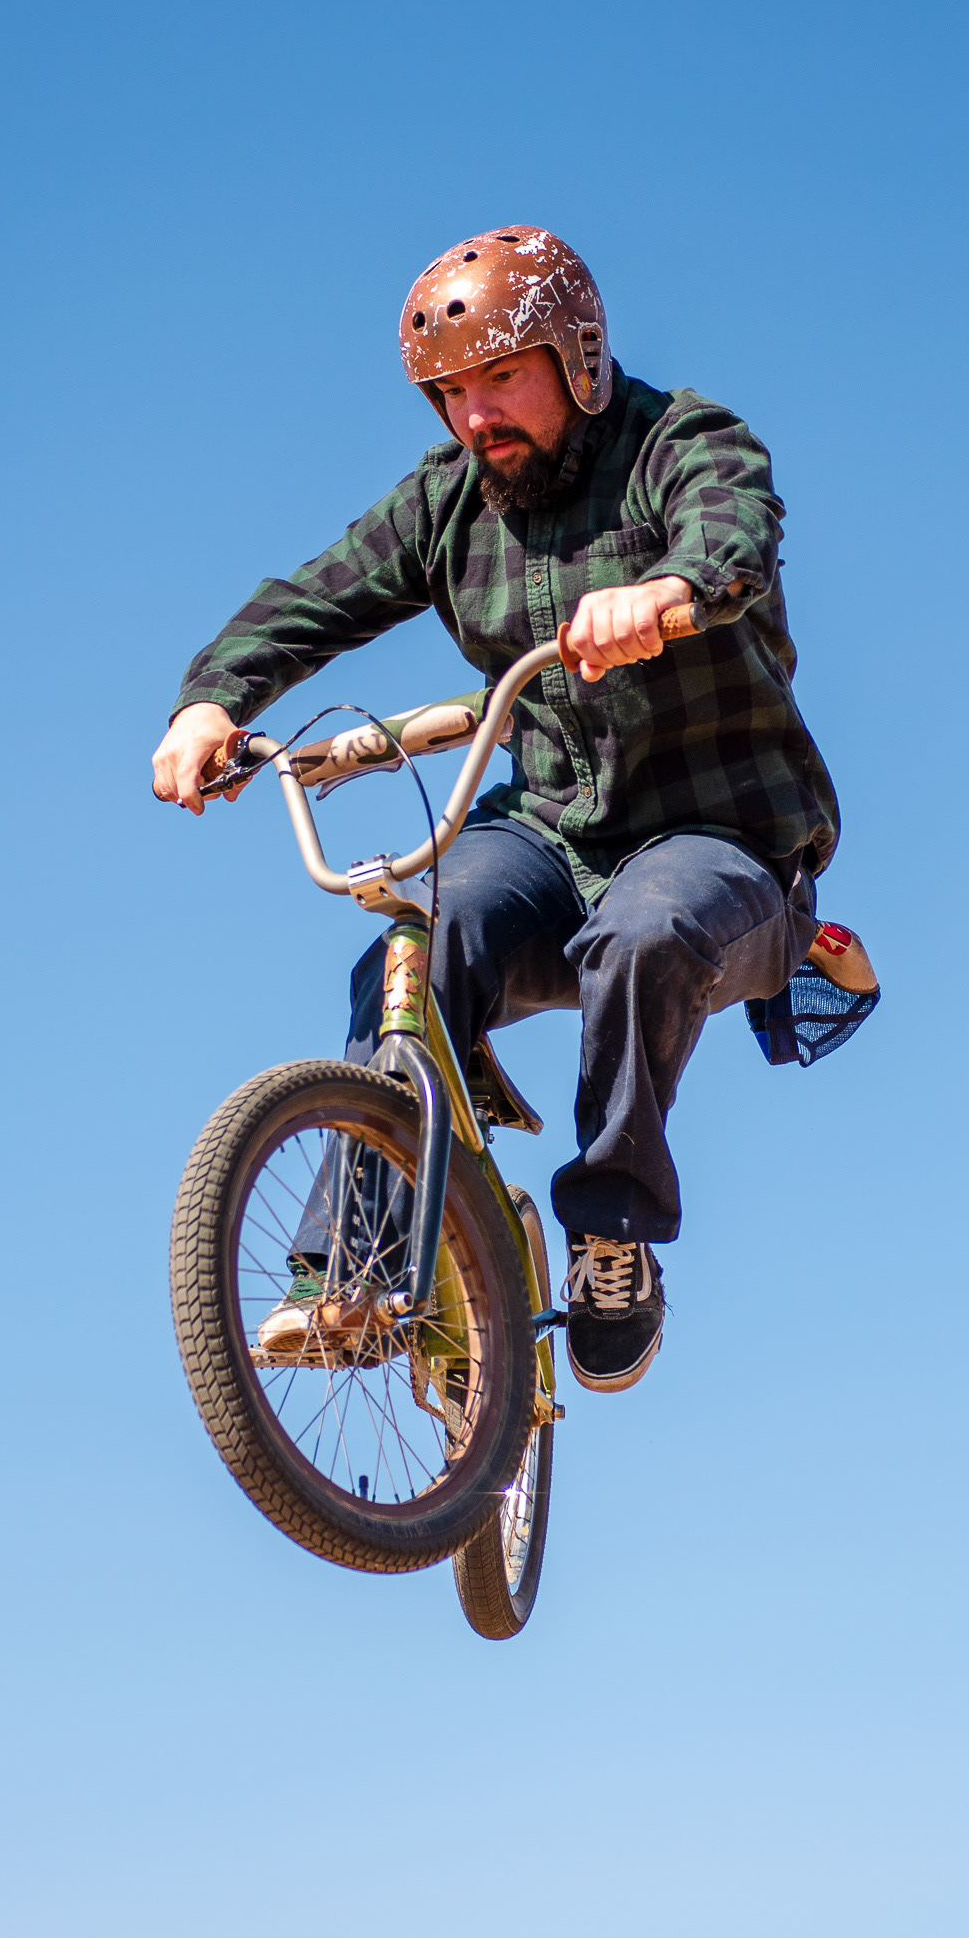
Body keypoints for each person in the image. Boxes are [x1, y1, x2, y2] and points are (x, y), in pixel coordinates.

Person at [152, 226, 840, 1395]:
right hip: (553, 834)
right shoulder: (449, 501)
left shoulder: (679, 442)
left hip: (721, 843)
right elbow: (315, 595)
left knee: (643, 931)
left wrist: (670, 587)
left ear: (579, 358)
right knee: (420, 937)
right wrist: (211, 700)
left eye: (502, 379)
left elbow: (731, 528)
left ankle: (611, 1231)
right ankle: (361, 1266)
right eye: (449, 395)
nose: (476, 418)